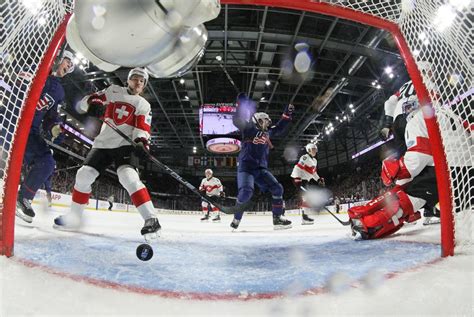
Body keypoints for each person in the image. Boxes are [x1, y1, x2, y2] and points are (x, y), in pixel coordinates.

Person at [54, 68, 161, 239]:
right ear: (128, 80)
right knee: (83, 175)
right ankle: (74, 217)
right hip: (103, 144)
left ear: (144, 85)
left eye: (142, 81)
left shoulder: (143, 105)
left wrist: (141, 143)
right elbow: (85, 102)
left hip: (125, 145)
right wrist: (93, 103)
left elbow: (142, 128)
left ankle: (151, 219)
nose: (138, 82)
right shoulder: (113, 90)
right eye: (135, 78)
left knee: (128, 178)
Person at [348, 96, 440, 239]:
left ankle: (369, 217)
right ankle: (371, 218)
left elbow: (389, 102)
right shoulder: (425, 109)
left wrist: (387, 123)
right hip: (416, 124)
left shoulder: (408, 99)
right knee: (414, 179)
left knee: (409, 179)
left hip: (403, 123)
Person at [15, 50, 73, 223]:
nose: (69, 67)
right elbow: (15, 94)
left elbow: (50, 117)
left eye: (70, 66)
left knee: (47, 162)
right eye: (68, 62)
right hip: (9, 121)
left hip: (29, 131)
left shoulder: (59, 91)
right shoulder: (33, 70)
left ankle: (22, 199)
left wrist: (55, 128)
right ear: (58, 57)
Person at [230, 93, 294, 230]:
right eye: (264, 120)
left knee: (278, 188)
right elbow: (236, 119)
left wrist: (286, 115)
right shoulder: (248, 129)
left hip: (261, 169)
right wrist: (240, 104)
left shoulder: (268, 133)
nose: (267, 122)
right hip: (246, 168)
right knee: (246, 192)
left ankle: (277, 219)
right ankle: (236, 217)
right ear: (256, 121)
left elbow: (280, 127)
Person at [290, 142, 325, 225]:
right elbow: (298, 167)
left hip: (305, 181)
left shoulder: (315, 161)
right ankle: (305, 218)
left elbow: (313, 173)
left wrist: (318, 179)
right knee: (306, 197)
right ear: (308, 150)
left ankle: (305, 217)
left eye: (315, 149)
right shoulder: (305, 157)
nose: (315, 151)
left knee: (306, 198)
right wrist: (297, 178)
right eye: (313, 149)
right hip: (299, 179)